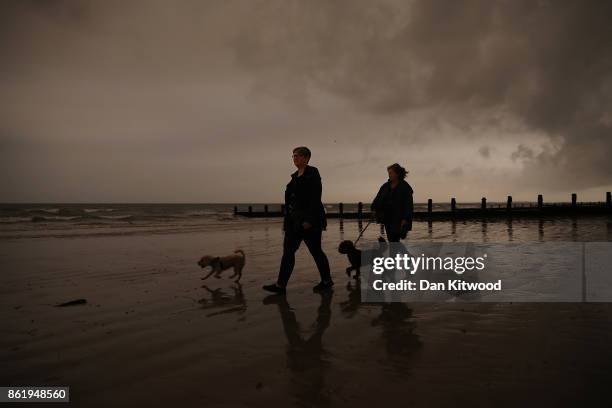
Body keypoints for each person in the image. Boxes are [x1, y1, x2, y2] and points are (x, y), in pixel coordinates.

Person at [263, 147, 333, 294]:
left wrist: (309, 220)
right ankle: (280, 286)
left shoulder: (313, 173)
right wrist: (286, 222)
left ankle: (326, 281)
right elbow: (290, 202)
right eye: (293, 156)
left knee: (316, 252)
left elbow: (315, 198)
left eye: (297, 156)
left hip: (310, 222)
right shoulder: (294, 176)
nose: (294, 158)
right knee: (288, 252)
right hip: (293, 222)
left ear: (306, 158)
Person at [371, 163, 414, 242]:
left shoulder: (405, 187)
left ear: (397, 174)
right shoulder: (385, 186)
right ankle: (405, 254)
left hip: (399, 219)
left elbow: (408, 205)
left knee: (394, 241)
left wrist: (405, 219)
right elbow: (377, 199)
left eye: (391, 173)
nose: (389, 175)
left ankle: (404, 254)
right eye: (388, 173)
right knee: (393, 241)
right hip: (387, 218)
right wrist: (374, 209)